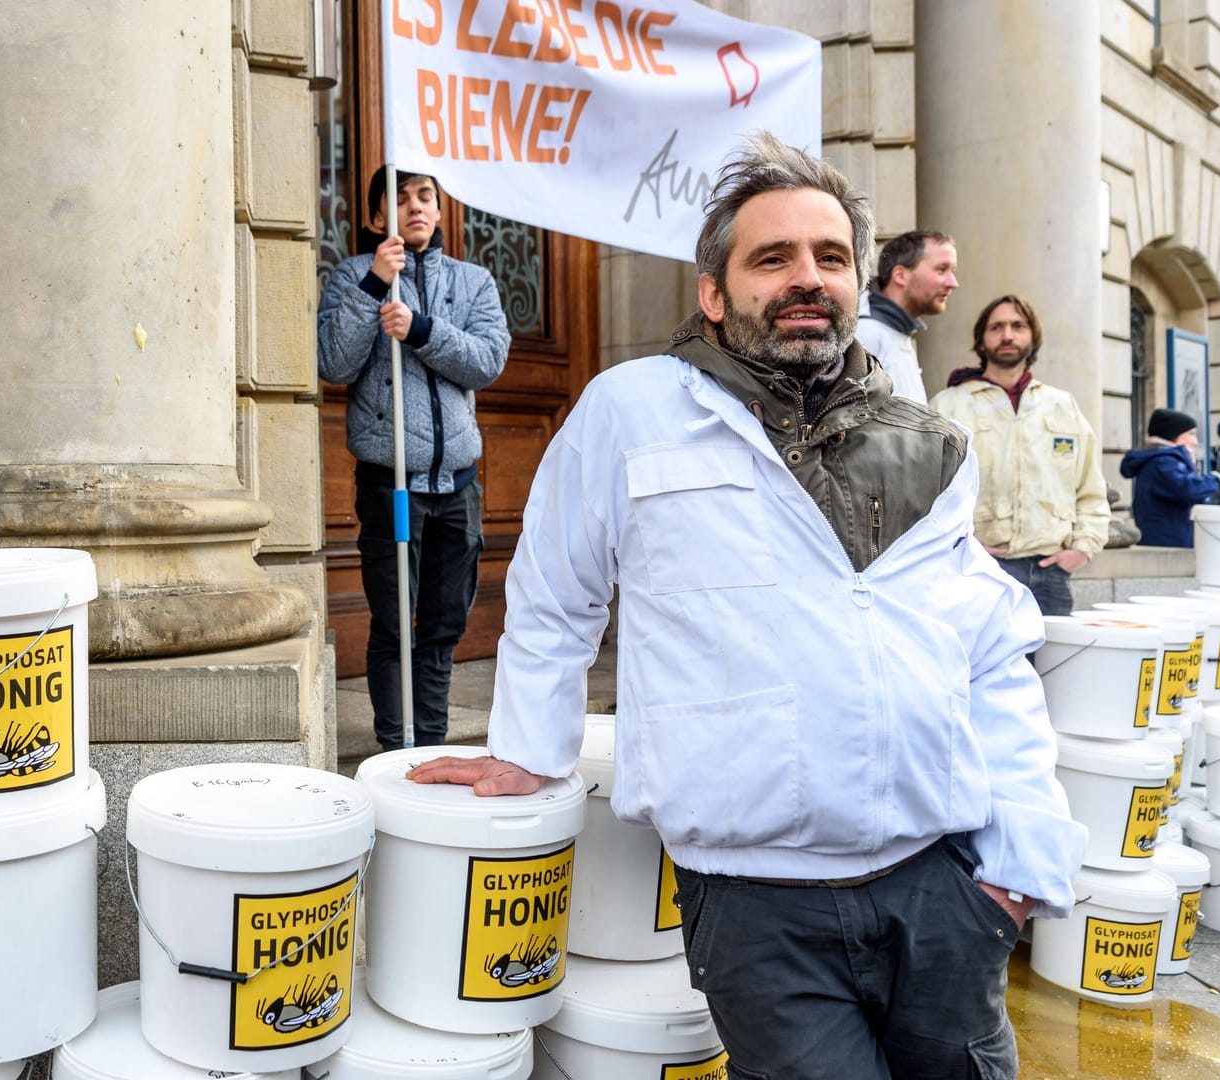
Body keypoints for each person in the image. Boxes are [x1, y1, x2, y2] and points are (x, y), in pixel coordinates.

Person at [406, 133, 1084, 1080]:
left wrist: (1013, 871)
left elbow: (988, 652)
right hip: (758, 907)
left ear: (857, 283)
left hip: (944, 887)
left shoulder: (930, 443)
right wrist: (526, 754)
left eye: (831, 257)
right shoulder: (631, 408)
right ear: (715, 293)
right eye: (773, 258)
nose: (807, 277)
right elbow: (556, 598)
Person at [317, 170, 510, 751]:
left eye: (425, 196)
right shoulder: (353, 277)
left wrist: (420, 328)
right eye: (399, 198)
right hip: (390, 482)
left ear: (440, 209)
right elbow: (334, 361)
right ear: (380, 218)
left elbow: (487, 360)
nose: (415, 206)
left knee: (445, 621)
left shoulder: (473, 283)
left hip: (457, 483)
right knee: (395, 621)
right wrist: (378, 284)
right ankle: (396, 747)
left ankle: (431, 740)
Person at [929, 296, 1110, 616]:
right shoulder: (949, 405)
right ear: (981, 341)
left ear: (1033, 337)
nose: (1008, 335)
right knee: (979, 667)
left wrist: (1082, 548)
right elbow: (924, 491)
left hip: (1050, 573)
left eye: (1018, 326)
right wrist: (957, 548)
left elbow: (1090, 489)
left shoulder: (1062, 406)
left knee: (1051, 667)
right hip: (976, 568)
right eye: (996, 327)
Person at [855, 229, 957, 404]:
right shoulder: (865, 334)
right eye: (941, 270)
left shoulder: (896, 330)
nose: (953, 283)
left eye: (952, 271)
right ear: (901, 275)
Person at [1121, 408, 1220, 546]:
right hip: (1167, 541)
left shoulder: (1164, 459)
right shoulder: (1163, 462)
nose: (1195, 441)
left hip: (1170, 537)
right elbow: (1187, 489)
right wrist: (1216, 480)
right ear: (1173, 435)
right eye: (1191, 434)